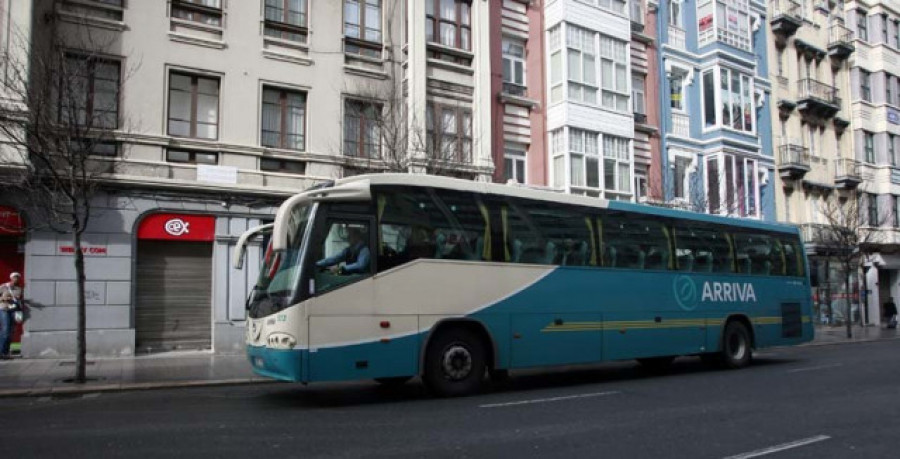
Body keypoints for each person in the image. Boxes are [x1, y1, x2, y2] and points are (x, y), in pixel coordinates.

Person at [0, 272, 23, 360]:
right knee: (5, 330)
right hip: (4, 309)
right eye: (14, 277)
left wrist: (17, 299)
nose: (16, 279)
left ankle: (5, 353)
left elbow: (19, 298)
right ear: (11, 278)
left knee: (10, 331)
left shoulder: (19, 288)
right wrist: (3, 298)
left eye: (17, 278)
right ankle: (1, 352)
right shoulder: (3, 286)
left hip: (13, 310)